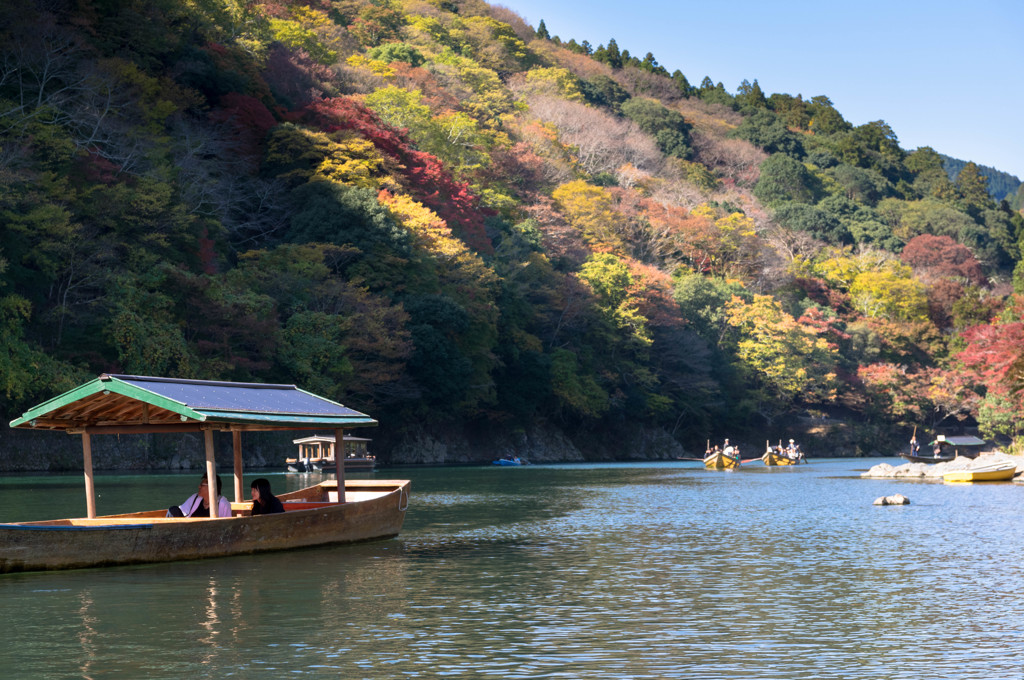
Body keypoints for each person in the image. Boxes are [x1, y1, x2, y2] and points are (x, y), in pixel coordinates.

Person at [167, 473, 232, 518]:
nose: (199, 487)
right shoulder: (195, 498)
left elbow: (228, 525)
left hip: (209, 534)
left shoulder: (223, 504)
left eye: (202, 485)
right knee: (173, 510)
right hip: (189, 531)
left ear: (211, 487)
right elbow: (181, 511)